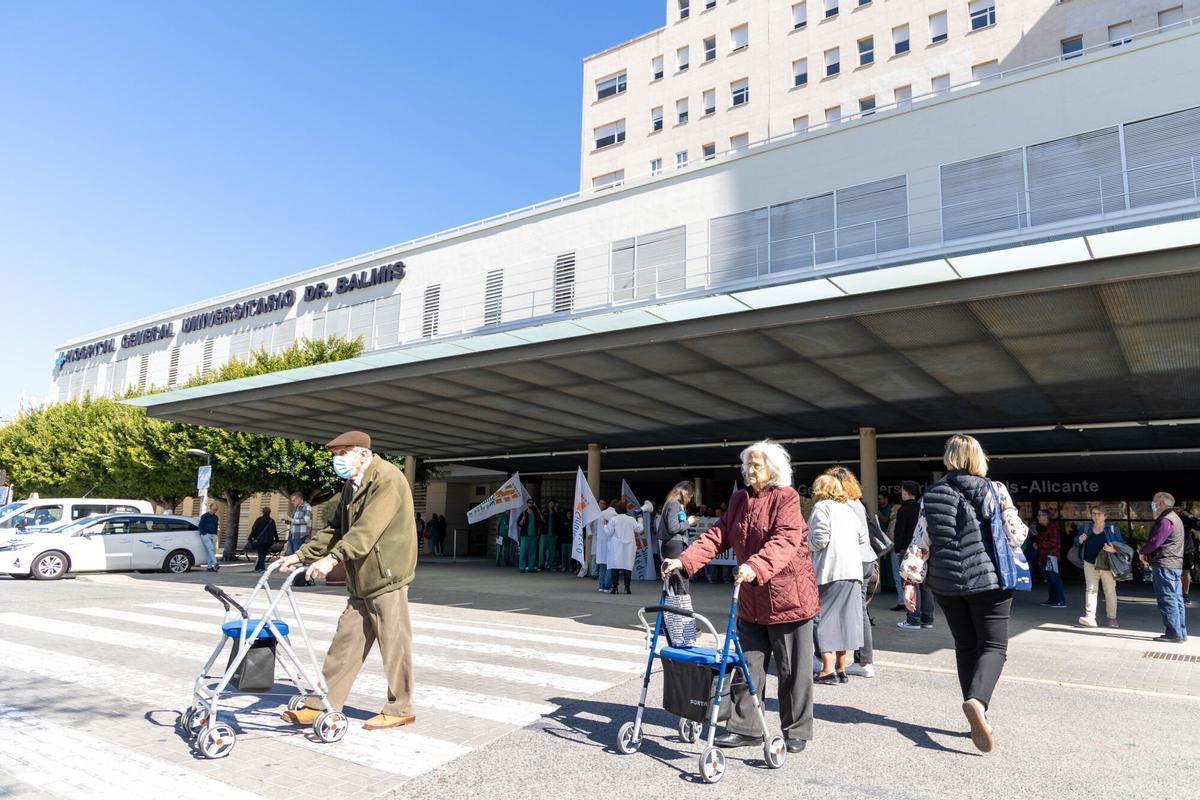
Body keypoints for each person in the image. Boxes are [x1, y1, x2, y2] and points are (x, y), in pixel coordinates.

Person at [663, 440, 817, 755]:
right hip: (751, 597)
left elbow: (785, 539)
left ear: (773, 469)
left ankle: (796, 730)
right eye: (747, 465)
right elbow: (717, 536)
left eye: (756, 465)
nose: (749, 470)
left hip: (789, 598)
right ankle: (745, 728)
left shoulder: (786, 498)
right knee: (748, 666)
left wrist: (754, 566)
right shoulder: (738, 499)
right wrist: (685, 561)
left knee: (792, 670)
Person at [280, 430, 418, 731]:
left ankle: (401, 707)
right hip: (362, 577)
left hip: (387, 574)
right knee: (346, 640)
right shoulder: (351, 486)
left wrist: (332, 559)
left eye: (342, 455)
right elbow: (336, 528)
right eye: (334, 456)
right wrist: (301, 555)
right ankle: (322, 704)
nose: (337, 462)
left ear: (363, 454)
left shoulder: (388, 479)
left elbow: (367, 530)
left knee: (394, 642)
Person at [899, 434, 1028, 754]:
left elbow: (920, 542)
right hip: (989, 581)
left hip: (947, 585)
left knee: (965, 646)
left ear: (950, 459)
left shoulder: (932, 494)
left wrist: (910, 581)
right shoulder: (995, 490)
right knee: (994, 647)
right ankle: (978, 702)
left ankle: (974, 712)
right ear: (978, 458)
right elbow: (1017, 535)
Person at [807, 474, 866, 684]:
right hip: (852, 570)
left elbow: (820, 539)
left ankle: (827, 668)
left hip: (830, 569)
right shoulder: (849, 509)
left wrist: (807, 543)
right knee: (845, 619)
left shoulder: (822, 507)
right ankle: (842, 668)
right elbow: (861, 538)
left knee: (820, 617)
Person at [825, 466, 878, 679]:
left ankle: (856, 661)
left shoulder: (839, 505)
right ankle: (864, 660)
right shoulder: (857, 503)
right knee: (860, 610)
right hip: (868, 560)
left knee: (842, 610)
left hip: (852, 561)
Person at [1139, 492, 1188, 643]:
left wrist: (1142, 552)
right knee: (1176, 599)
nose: (1152, 506)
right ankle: (1180, 632)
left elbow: (1156, 541)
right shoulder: (1175, 518)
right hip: (1174, 564)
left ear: (1160, 503)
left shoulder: (1166, 520)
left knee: (1167, 598)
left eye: (1154, 503)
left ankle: (1173, 633)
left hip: (1164, 565)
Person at [1074, 506, 1125, 629]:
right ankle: (1090, 617)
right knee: (1091, 589)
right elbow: (1076, 540)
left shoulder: (1112, 529)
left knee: (1110, 591)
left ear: (1105, 516)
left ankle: (1112, 618)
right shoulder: (1086, 527)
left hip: (1107, 564)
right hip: (1089, 563)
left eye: (1099, 514)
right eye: (1093, 514)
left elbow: (1121, 544)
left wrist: (1113, 549)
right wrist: (1079, 540)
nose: (1096, 516)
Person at [894, 481, 933, 630]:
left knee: (910, 583)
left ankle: (913, 619)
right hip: (923, 549)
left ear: (905, 491)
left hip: (908, 550)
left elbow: (899, 532)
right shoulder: (920, 508)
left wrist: (898, 549)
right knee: (925, 585)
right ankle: (927, 619)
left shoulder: (904, 510)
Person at [657, 481, 696, 588]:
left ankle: (674, 601)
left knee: (674, 579)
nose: (690, 499)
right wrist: (689, 522)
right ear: (686, 494)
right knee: (680, 579)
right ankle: (680, 602)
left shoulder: (672, 504)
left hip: (672, 544)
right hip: (674, 544)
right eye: (691, 496)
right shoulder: (674, 504)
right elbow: (673, 528)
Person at [888, 487, 917, 611]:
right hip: (915, 549)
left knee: (900, 577)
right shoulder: (918, 509)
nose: (891, 512)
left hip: (900, 550)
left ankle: (904, 603)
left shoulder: (900, 515)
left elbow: (895, 535)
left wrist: (897, 548)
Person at [604, 501, 640, 594]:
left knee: (615, 566)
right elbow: (639, 529)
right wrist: (640, 520)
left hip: (616, 546)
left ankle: (615, 588)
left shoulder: (613, 519)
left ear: (616, 510)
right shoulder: (631, 519)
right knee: (627, 566)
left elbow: (608, 533)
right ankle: (627, 588)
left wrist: (605, 525)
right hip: (629, 546)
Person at [1035, 509, 1066, 608]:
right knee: (1049, 579)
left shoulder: (1052, 527)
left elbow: (1054, 543)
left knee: (1054, 578)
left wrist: (1039, 545)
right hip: (1045, 557)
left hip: (1051, 556)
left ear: (1045, 516)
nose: (1038, 517)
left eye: (1039, 515)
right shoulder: (1045, 527)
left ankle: (1060, 600)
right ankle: (1053, 599)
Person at [516, 499, 544, 573]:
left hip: (533, 536)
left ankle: (531, 567)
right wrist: (522, 520)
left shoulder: (536, 513)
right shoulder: (523, 513)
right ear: (527, 504)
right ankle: (522, 567)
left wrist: (538, 535)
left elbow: (539, 525)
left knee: (532, 552)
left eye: (532, 503)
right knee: (523, 552)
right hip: (525, 536)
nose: (530, 504)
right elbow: (519, 524)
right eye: (529, 503)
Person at [248, 508, 277, 572]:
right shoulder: (272, 521)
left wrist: (250, 537)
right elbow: (275, 531)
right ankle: (258, 568)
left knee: (260, 554)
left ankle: (262, 568)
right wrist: (277, 539)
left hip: (259, 540)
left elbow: (254, 529)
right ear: (270, 512)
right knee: (263, 555)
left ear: (262, 512)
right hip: (269, 541)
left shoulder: (259, 520)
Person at [198, 502, 220, 572]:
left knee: (211, 551)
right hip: (206, 534)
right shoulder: (204, 516)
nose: (214, 511)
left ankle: (209, 567)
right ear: (210, 508)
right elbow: (200, 526)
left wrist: (216, 534)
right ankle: (215, 563)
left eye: (216, 510)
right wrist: (203, 533)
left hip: (213, 534)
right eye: (213, 509)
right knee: (210, 549)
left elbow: (216, 526)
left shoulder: (216, 517)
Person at [539, 500, 560, 571]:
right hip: (544, 534)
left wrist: (556, 511)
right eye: (550, 503)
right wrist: (541, 520)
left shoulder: (556, 513)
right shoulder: (544, 512)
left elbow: (559, 523)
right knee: (542, 550)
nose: (551, 504)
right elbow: (540, 523)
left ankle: (551, 565)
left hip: (553, 535)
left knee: (552, 551)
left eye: (553, 503)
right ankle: (541, 565)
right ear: (548, 504)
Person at [553, 500, 574, 572]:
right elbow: (557, 518)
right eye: (568, 514)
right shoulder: (562, 521)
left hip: (571, 541)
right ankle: (564, 566)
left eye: (570, 514)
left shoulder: (574, 522)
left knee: (570, 556)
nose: (569, 515)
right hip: (563, 541)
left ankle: (570, 567)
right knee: (563, 555)